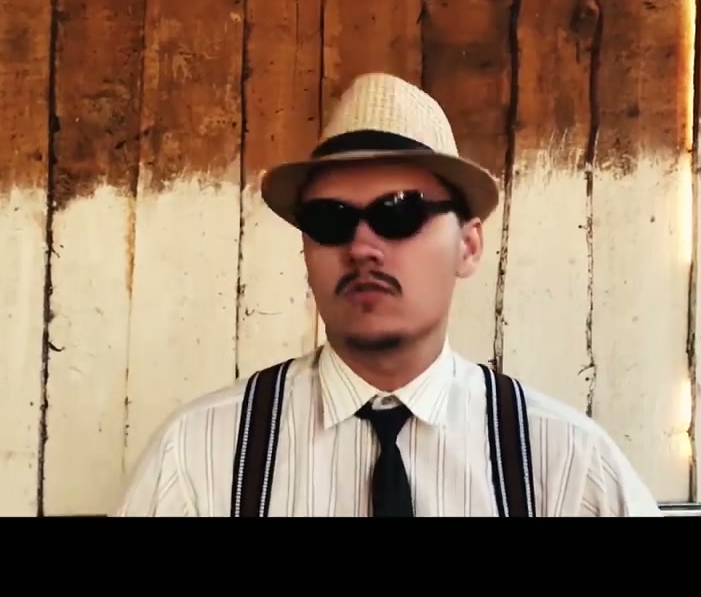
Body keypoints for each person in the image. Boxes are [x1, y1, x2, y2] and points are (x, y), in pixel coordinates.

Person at [112, 72, 662, 517]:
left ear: (469, 246)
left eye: (399, 213)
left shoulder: (564, 461)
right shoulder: (201, 454)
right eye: (330, 220)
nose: (362, 247)